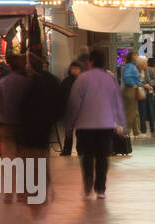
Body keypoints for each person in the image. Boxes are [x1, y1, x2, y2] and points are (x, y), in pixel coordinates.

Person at [64, 48, 126, 200]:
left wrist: (69, 124)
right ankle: (100, 189)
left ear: (90, 62)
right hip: (105, 125)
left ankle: (87, 186)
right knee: (102, 157)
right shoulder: (110, 79)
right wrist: (120, 123)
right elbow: (117, 102)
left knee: (87, 156)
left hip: (85, 125)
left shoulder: (82, 79)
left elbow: (74, 103)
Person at [18, 56, 62, 224]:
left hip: (29, 141)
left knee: (31, 187)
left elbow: (21, 112)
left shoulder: (28, 86)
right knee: (41, 185)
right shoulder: (52, 83)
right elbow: (61, 110)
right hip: (43, 140)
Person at [0, 53, 30, 201]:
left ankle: (8, 193)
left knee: (8, 160)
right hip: (24, 126)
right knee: (23, 159)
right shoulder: (27, 83)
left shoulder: (2, 83)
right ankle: (21, 192)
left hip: (5, 126)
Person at [59, 61, 81, 156]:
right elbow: (62, 95)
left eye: (76, 68)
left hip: (79, 109)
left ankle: (80, 149)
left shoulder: (82, 80)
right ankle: (67, 149)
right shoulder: (66, 81)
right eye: (73, 68)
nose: (74, 70)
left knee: (80, 132)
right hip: (69, 109)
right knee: (69, 131)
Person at [120, 56, 143, 137]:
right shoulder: (130, 66)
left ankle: (136, 132)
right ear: (132, 58)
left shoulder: (131, 66)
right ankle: (126, 132)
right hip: (130, 91)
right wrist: (133, 84)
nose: (137, 58)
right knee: (130, 112)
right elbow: (127, 77)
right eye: (135, 56)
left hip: (130, 90)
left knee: (134, 112)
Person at [137, 56, 155, 136]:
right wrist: (144, 85)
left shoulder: (149, 69)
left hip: (149, 93)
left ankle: (153, 131)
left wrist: (150, 84)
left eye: (146, 62)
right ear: (140, 63)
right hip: (141, 94)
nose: (146, 64)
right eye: (144, 62)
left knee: (151, 112)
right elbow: (136, 81)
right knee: (142, 112)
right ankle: (143, 131)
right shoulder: (136, 70)